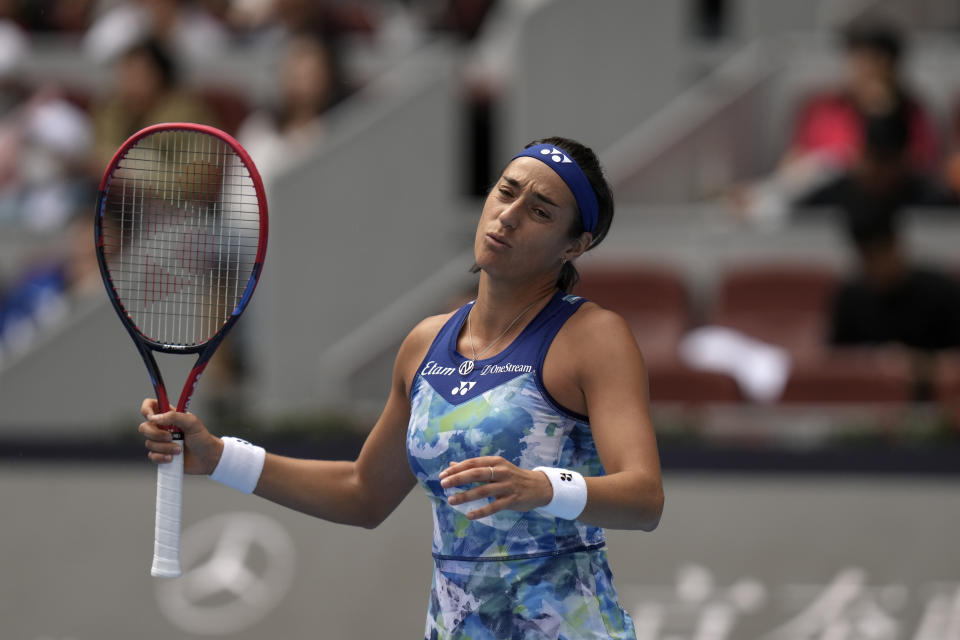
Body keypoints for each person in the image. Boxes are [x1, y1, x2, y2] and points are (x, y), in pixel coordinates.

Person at [139, 136, 664, 638]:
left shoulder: (594, 337)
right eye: (506, 191)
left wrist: (543, 488)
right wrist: (216, 458)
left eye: (541, 211)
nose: (509, 215)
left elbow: (644, 499)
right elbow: (363, 493)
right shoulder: (424, 344)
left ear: (574, 245)